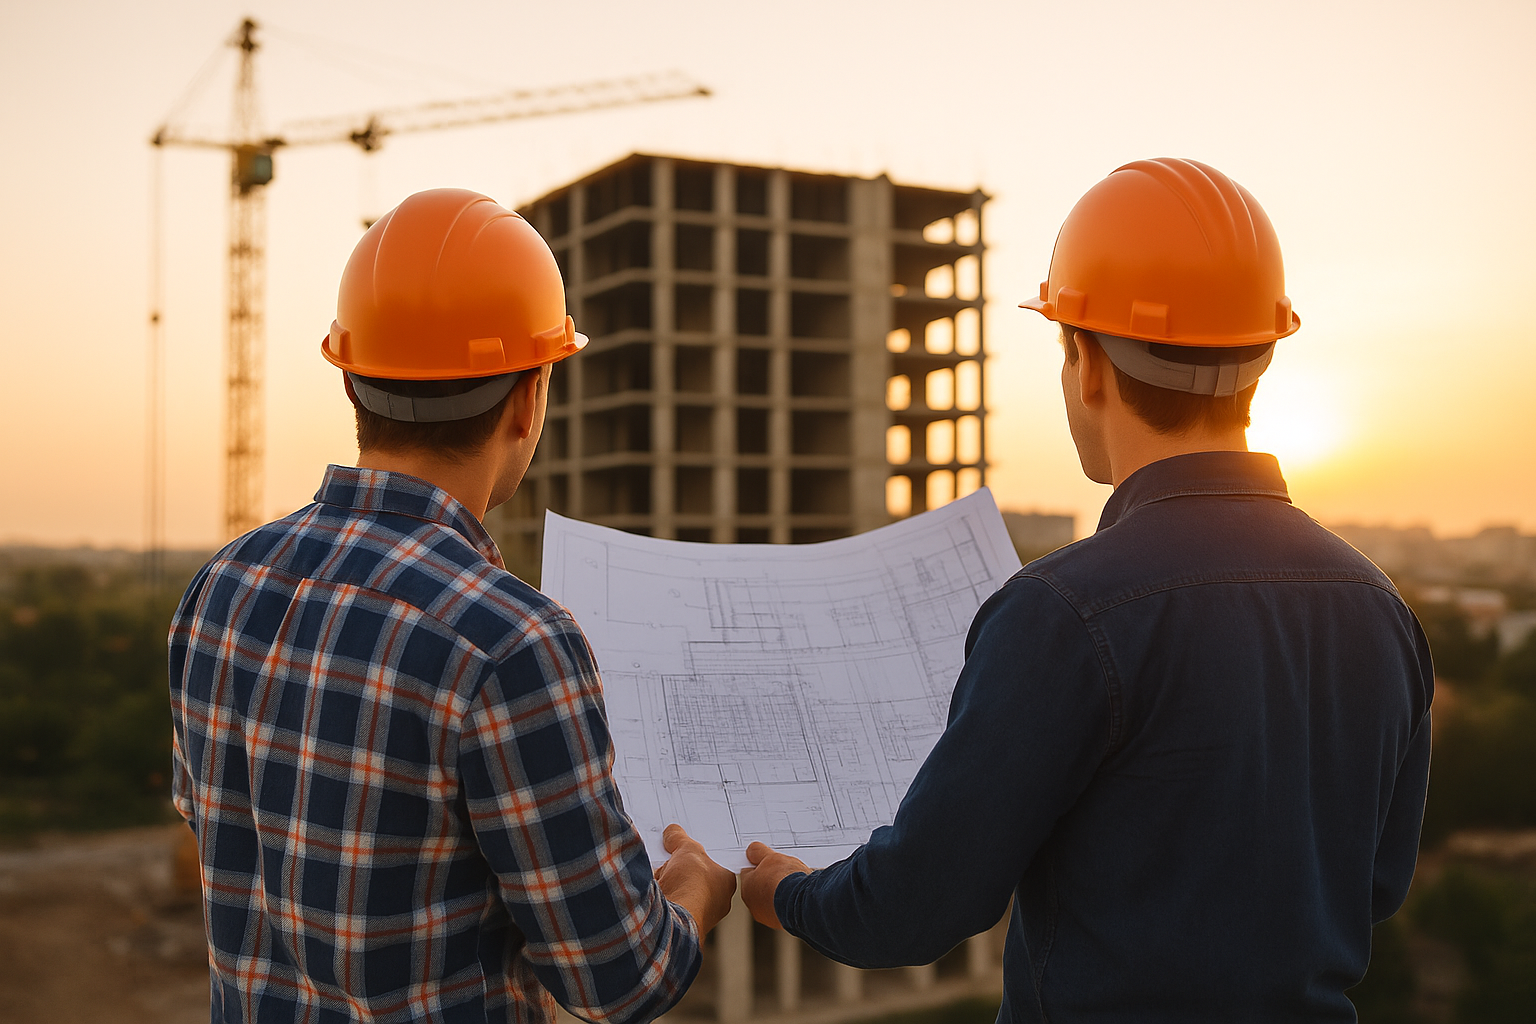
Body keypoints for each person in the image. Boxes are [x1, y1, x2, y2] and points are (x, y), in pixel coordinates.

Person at [740, 158, 1433, 1022]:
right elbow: (1373, 882)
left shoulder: (1064, 614)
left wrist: (789, 894)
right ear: (1262, 357)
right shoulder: (1380, 609)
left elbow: (914, 908)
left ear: (1086, 360)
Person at [169, 188, 736, 1024]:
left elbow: (222, 829)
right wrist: (692, 898)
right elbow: (619, 979)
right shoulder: (509, 644)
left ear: (352, 380)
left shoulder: (222, 586)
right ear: (527, 400)